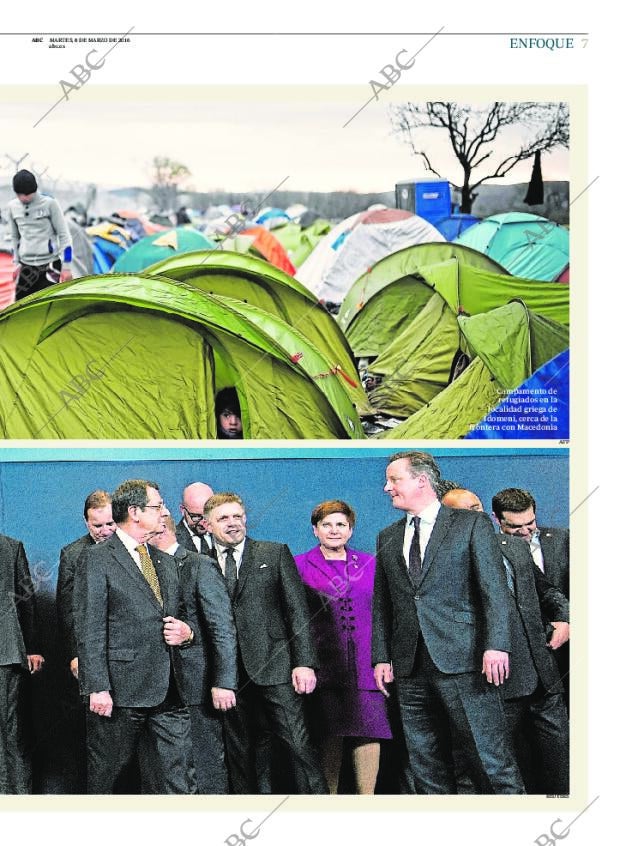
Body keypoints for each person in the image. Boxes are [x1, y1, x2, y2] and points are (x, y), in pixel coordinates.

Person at [372, 451, 525, 794]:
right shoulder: (388, 536)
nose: (387, 488)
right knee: (425, 765)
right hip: (409, 669)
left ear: (421, 481)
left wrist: (496, 645)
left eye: (394, 480)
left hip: (465, 662)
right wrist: (381, 657)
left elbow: (494, 591)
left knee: (489, 761)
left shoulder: (470, 524)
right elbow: (383, 603)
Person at [73, 479, 197, 794]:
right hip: (119, 691)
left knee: (178, 778)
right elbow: (90, 626)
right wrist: (97, 687)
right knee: (109, 777)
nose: (165, 512)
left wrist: (186, 633)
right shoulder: (96, 558)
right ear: (135, 512)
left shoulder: (166, 562)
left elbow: (181, 616)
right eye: (157, 506)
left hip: (170, 688)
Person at [443, 487, 570, 795]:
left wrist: (565, 619)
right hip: (496, 683)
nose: (476, 515)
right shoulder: (447, 561)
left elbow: (548, 592)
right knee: (494, 768)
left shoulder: (513, 547)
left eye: (476, 507)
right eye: (465, 512)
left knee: (562, 765)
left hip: (544, 675)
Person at [204, 492, 326, 793]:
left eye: (237, 516)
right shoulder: (199, 563)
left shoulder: (273, 554)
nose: (233, 524)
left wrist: (304, 663)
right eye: (223, 518)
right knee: (242, 754)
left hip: (276, 667)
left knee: (298, 746)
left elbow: (297, 611)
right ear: (207, 525)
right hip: (228, 676)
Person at [294, 500, 391, 794]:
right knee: (328, 734)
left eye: (341, 525)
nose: (334, 531)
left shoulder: (371, 563)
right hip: (324, 666)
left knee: (369, 730)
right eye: (327, 525)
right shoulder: (298, 564)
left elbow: (383, 612)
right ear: (315, 530)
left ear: (350, 530)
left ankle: (366, 802)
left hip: (365, 664)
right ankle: (329, 803)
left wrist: (382, 657)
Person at [150, 515, 237, 794]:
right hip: (157, 689)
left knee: (205, 763)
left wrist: (224, 681)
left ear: (161, 528)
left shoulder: (200, 565)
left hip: (196, 685)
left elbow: (222, 627)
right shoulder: (144, 571)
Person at [492, 487, 570, 707]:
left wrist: (567, 620)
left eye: (530, 523)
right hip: (527, 663)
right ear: (497, 519)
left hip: (569, 652)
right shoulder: (490, 551)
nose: (526, 531)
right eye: (516, 526)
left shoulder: (565, 540)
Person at [0, 532, 44, 793]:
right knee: (10, 734)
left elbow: (26, 599)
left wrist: (32, 647)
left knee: (9, 736)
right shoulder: (10, 547)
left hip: (5, 656)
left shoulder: (10, 548)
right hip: (6, 654)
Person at [56, 490, 116, 679]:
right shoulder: (72, 555)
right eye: (97, 525)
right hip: (90, 649)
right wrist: (75, 653)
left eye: (110, 524)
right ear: (86, 522)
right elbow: (68, 611)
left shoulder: (134, 549)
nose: (105, 531)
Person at [7, 169, 73, 300]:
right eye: (20, 194)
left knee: (49, 306)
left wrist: (67, 267)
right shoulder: (12, 207)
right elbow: (14, 238)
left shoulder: (50, 204)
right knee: (21, 308)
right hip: (26, 267)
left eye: (28, 194)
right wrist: (15, 263)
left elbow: (64, 236)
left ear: (34, 190)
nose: (24, 198)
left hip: (50, 266)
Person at [177, 482, 214, 555]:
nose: (202, 523)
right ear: (182, 510)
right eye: (196, 516)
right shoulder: (170, 541)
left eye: (207, 515)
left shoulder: (223, 535)